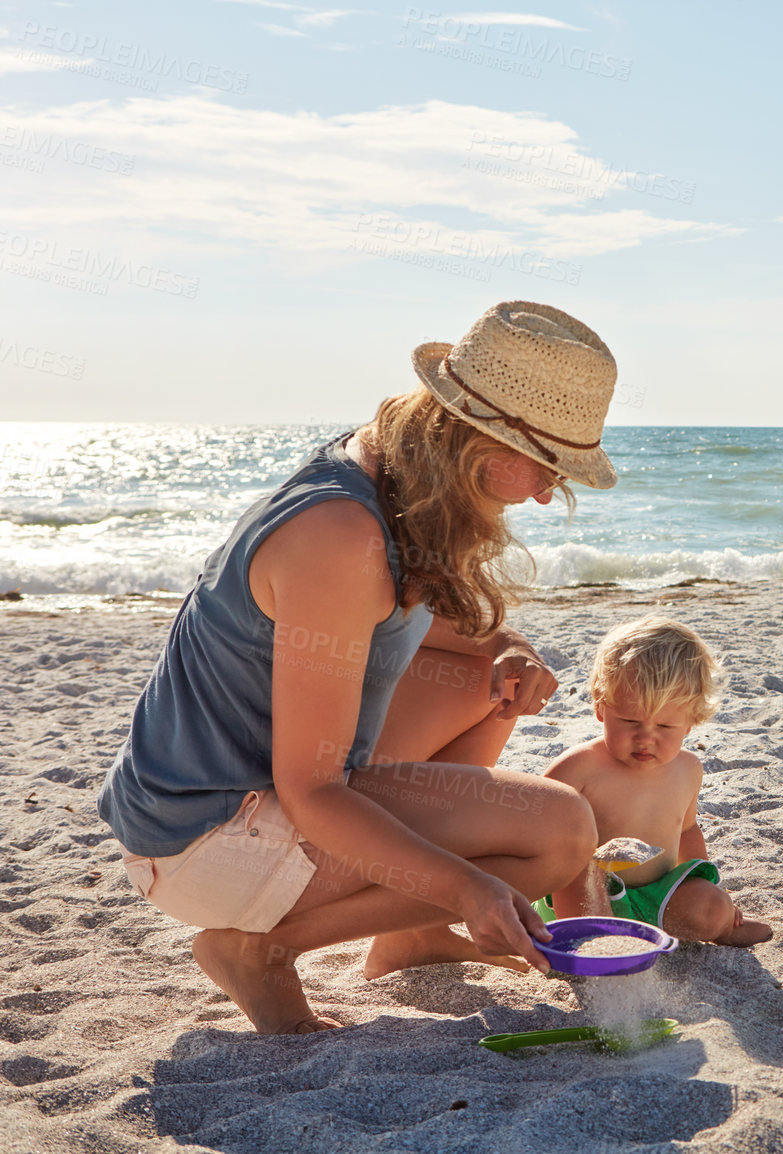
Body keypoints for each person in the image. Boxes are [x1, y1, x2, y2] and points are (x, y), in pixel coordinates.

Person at [96, 301, 622, 1034]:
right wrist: (466, 888)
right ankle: (263, 950)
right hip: (205, 836)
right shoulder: (340, 535)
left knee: (480, 684)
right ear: (478, 440)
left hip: (247, 794)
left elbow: (394, 620)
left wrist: (508, 649)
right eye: (546, 465)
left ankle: (409, 934)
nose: (543, 492)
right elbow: (310, 790)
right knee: (562, 830)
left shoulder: (380, 466)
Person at [542, 616, 771, 946]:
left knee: (710, 906)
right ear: (601, 707)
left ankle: (722, 929)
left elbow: (687, 830)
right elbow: (534, 834)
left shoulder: (687, 769)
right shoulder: (579, 768)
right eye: (630, 720)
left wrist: (710, 886)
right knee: (580, 873)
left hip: (656, 897)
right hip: (589, 895)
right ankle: (597, 943)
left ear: (691, 722)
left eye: (665, 727)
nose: (646, 738)